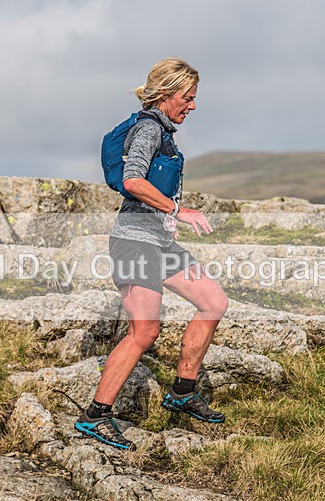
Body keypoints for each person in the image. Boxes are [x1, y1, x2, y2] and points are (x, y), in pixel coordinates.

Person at [75, 58, 229, 451]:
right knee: (144, 331)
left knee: (213, 302)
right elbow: (132, 180)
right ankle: (96, 415)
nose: (192, 106)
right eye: (188, 98)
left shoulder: (163, 130)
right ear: (167, 93)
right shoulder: (147, 129)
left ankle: (182, 391)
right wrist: (179, 210)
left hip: (158, 242)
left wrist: (169, 219)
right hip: (134, 242)